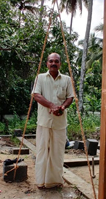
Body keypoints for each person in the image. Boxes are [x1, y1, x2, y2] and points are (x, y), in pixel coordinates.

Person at [32, 53, 74, 189]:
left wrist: (62, 107)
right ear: (47, 64)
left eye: (56, 61)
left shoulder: (66, 79)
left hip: (60, 122)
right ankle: (41, 181)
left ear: (60, 64)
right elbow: (36, 95)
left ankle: (54, 181)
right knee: (42, 151)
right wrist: (51, 105)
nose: (53, 63)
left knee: (57, 153)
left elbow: (70, 97)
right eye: (51, 61)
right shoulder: (40, 78)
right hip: (44, 122)